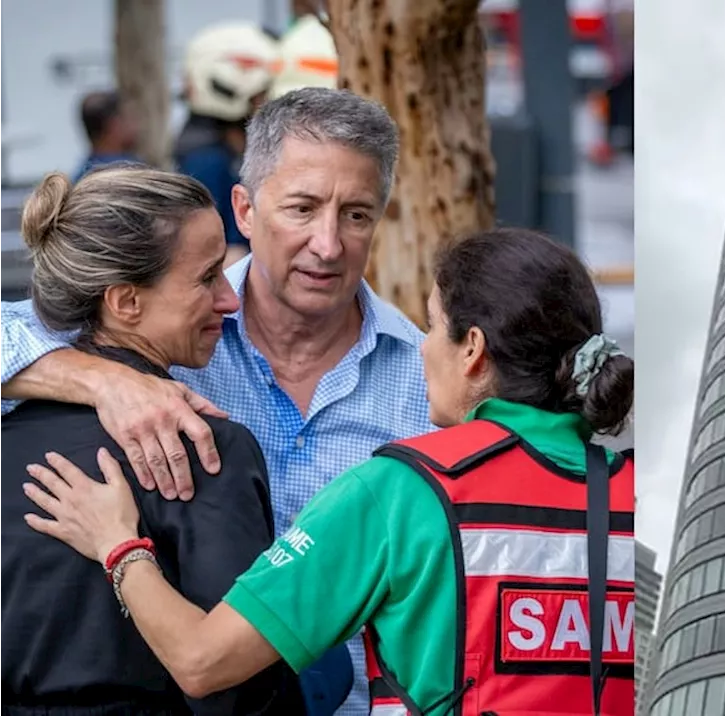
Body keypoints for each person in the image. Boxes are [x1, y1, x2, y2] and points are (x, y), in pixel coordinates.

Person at [19, 227, 637, 716]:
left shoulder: (403, 491)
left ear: (471, 349)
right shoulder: (632, 488)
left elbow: (203, 662)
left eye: (434, 324)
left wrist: (119, 545)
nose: (421, 344)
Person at [0, 87, 432, 716]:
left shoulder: (429, 387)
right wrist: (103, 382)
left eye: (357, 214)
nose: (329, 243)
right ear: (246, 209)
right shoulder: (163, 323)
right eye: (302, 208)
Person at [0, 166, 304, 714]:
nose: (229, 302)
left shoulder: (8, 437)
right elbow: (241, 690)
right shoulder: (206, 449)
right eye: (208, 278)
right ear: (125, 302)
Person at [174, 21, 280, 268]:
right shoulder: (209, 159)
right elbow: (225, 252)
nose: (264, 101)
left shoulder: (213, 148)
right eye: (260, 93)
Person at [73, 90, 140, 181]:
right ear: (113, 125)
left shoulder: (80, 178)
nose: (136, 126)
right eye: (129, 118)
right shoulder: (132, 175)